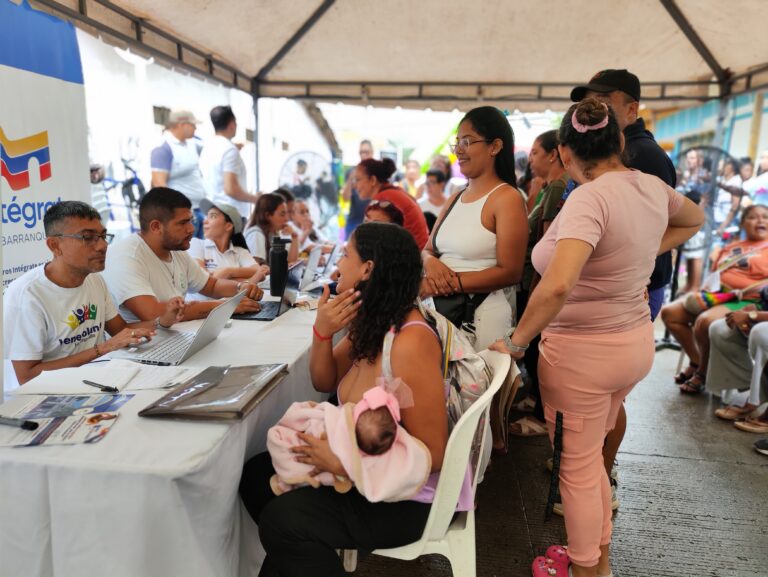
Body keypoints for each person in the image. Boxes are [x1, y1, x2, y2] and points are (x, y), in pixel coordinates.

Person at [490, 98, 703, 577]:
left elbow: (559, 283)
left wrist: (518, 341)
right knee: (592, 463)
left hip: (583, 357)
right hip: (631, 347)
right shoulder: (649, 187)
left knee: (578, 471)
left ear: (565, 153)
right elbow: (694, 219)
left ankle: (589, 569)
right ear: (620, 141)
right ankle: (597, 557)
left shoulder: (588, 197)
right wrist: (644, 249)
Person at [239, 222, 448, 577]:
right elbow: (324, 380)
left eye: (346, 256)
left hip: (404, 495)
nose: (338, 267)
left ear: (368, 269)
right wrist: (323, 331)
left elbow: (435, 452)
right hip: (360, 470)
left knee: (283, 520)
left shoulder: (410, 341)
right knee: (256, 476)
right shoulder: (376, 323)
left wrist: (342, 463)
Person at [3, 201, 184, 385]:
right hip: (45, 395)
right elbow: (27, 377)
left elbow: (120, 331)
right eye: (88, 237)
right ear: (55, 245)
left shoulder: (94, 279)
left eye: (103, 236)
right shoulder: (27, 296)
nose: (102, 246)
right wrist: (102, 349)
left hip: (96, 380)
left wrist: (162, 322)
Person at [421, 106, 527, 350]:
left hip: (480, 319)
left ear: (495, 146)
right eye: (457, 142)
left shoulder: (507, 198)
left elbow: (510, 272)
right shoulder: (456, 196)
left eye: (467, 141)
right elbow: (428, 249)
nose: (458, 150)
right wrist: (431, 263)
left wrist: (447, 283)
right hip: (443, 313)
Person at [103, 187, 263, 322]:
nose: (191, 229)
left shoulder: (176, 249)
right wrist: (225, 306)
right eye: (182, 223)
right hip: (136, 353)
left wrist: (240, 288)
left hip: (173, 338)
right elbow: (151, 313)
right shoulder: (127, 256)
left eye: (191, 221)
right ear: (156, 227)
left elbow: (211, 286)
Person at [661, 204, 768, 393]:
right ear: (743, 223)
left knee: (706, 321)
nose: (760, 220)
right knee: (670, 313)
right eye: (753, 217)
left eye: (765, 217)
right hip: (717, 295)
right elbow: (715, 274)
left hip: (747, 301)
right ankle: (697, 361)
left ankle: (701, 373)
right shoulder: (732, 247)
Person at [267, 384, 430, 502]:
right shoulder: (363, 345)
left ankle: (292, 480)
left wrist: (343, 465)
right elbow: (321, 381)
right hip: (327, 454)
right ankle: (293, 480)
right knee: (254, 472)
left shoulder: (409, 349)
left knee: (276, 509)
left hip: (407, 502)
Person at [511, 129, 568, 437]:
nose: (530, 159)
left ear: (553, 154)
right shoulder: (547, 187)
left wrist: (536, 290)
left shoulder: (559, 188)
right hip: (530, 277)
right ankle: (536, 401)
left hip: (536, 279)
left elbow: (547, 244)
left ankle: (542, 415)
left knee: (534, 345)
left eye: (535, 152)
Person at [150, 109, 208, 239]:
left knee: (200, 253)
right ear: (182, 124)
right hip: (184, 214)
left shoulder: (191, 143)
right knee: (187, 254)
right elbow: (159, 184)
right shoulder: (163, 148)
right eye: (193, 125)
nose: (195, 128)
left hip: (198, 208)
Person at [188, 199, 269, 287]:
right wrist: (250, 280)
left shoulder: (241, 252)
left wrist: (228, 272)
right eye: (206, 217)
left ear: (228, 226)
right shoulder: (195, 244)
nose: (205, 221)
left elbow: (259, 272)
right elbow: (204, 281)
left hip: (237, 300)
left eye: (213, 216)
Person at [199, 105, 260, 222]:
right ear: (232, 124)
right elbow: (231, 189)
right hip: (231, 214)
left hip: (213, 211)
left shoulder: (207, 147)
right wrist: (255, 199)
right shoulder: (229, 150)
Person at [354, 157, 429, 248]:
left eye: (358, 180)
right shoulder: (396, 192)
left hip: (411, 257)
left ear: (373, 180)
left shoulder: (381, 201)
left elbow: (368, 242)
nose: (355, 185)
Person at [243, 192, 300, 265]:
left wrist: (294, 237)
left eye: (286, 213)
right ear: (267, 216)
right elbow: (255, 269)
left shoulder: (272, 233)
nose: (286, 218)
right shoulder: (256, 234)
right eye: (282, 214)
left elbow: (291, 262)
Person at [341, 139, 374, 238]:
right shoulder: (352, 171)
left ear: (372, 153)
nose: (363, 155)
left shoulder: (378, 173)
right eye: (361, 152)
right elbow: (345, 198)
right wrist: (351, 178)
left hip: (373, 221)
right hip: (354, 221)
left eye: (366, 152)